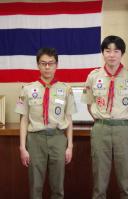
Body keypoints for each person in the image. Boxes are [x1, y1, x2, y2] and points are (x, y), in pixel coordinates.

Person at [81, 35, 128, 199]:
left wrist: (121, 118)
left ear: (122, 53)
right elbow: (89, 103)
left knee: (126, 178)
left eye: (116, 51)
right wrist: (101, 119)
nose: (112, 54)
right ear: (103, 53)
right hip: (101, 128)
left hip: (123, 128)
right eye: (107, 51)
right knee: (99, 179)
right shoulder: (93, 76)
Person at [15, 47, 77, 199]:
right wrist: (23, 147)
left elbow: (69, 119)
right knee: (35, 186)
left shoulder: (66, 89)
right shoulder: (27, 89)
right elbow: (23, 120)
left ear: (56, 65)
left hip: (57, 138)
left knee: (58, 186)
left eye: (51, 63)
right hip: (35, 139)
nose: (47, 67)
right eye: (43, 63)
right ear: (38, 65)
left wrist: (70, 146)